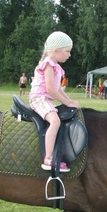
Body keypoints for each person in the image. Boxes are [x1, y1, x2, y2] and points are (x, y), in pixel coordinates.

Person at [28, 31, 80, 172]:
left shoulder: (56, 66)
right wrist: (67, 103)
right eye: (67, 51)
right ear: (56, 51)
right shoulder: (48, 65)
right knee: (55, 121)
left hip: (46, 99)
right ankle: (49, 158)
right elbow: (51, 89)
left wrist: (69, 101)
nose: (69, 55)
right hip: (39, 98)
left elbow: (58, 89)